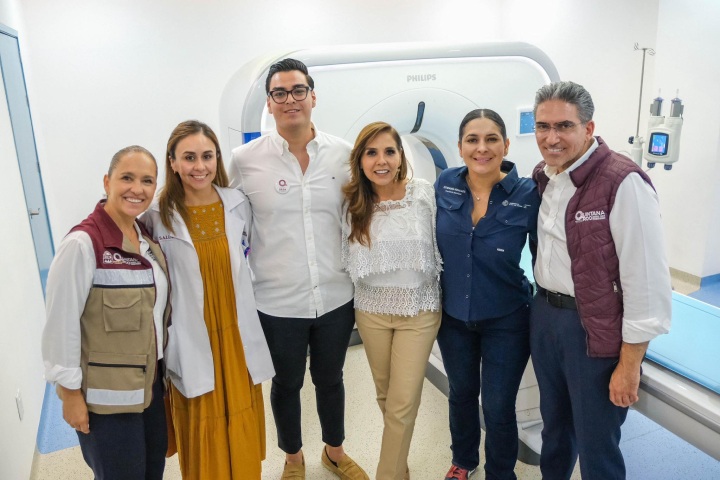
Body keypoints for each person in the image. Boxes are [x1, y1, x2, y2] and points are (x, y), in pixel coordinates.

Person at [228, 58, 368, 480]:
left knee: (331, 379)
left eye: (298, 90)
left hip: (334, 295)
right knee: (286, 384)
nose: (290, 100)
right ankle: (292, 458)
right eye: (279, 93)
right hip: (277, 300)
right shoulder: (244, 160)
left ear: (313, 97)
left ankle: (334, 452)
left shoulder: (344, 155)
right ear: (269, 104)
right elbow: (219, 212)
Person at [530, 81, 672, 480]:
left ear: (588, 128)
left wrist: (630, 364)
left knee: (596, 443)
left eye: (564, 126)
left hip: (593, 327)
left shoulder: (622, 182)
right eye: (543, 126)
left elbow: (646, 282)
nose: (551, 138)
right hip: (545, 315)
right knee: (554, 430)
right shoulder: (544, 175)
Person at [142, 120, 275, 479]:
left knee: (241, 414)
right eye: (189, 157)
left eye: (207, 156)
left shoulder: (237, 204)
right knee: (203, 422)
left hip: (235, 334)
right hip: (192, 335)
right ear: (172, 162)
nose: (199, 166)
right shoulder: (155, 217)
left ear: (217, 159)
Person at [42, 146, 170, 480]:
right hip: (106, 401)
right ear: (106, 181)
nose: (136, 188)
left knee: (153, 470)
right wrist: (70, 394)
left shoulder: (145, 240)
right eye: (127, 177)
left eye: (147, 180)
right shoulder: (83, 244)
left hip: (149, 387)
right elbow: (61, 325)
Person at [435, 109, 539, 480]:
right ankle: (463, 460)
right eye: (473, 140)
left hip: (507, 317)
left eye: (492, 139)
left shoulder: (528, 193)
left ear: (506, 145)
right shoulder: (445, 184)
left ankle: (500, 473)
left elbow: (546, 258)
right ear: (460, 146)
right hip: (454, 318)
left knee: (497, 405)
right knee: (461, 393)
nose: (482, 148)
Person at [342, 122, 442, 480]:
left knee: (401, 404)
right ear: (360, 160)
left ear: (401, 156)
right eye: (371, 153)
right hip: (371, 313)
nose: (381, 160)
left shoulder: (423, 194)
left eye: (389, 151)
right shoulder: (352, 203)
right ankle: (400, 468)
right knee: (386, 398)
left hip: (419, 310)